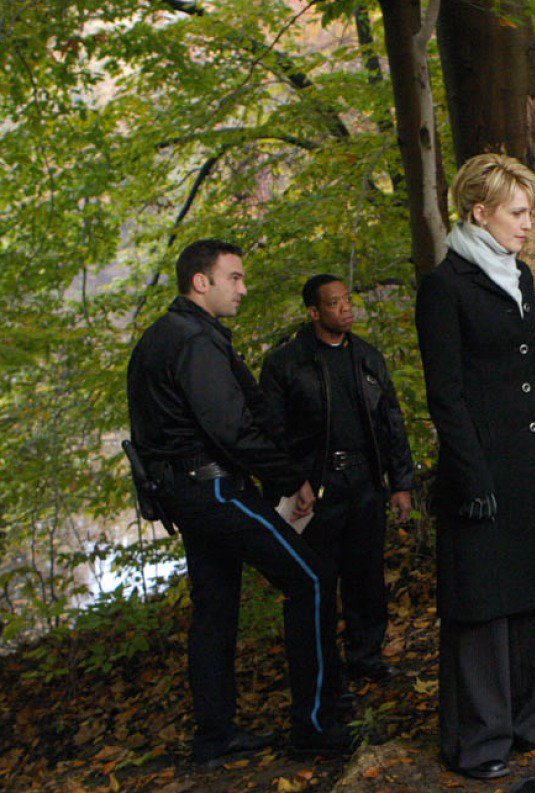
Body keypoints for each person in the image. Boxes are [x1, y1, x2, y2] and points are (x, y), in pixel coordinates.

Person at [126, 240, 352, 765]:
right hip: (211, 488)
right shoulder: (192, 340)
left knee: (215, 607)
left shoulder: (164, 336)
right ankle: (315, 726)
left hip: (186, 492)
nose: (244, 289)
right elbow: (231, 428)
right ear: (200, 282)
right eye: (234, 278)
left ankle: (216, 737)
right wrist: (290, 477)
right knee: (312, 578)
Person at [416, 153, 535, 781]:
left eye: (530, 211)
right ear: (479, 212)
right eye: (517, 212)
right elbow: (445, 394)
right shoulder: (446, 286)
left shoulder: (519, 276)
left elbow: (530, 372)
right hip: (480, 467)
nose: (528, 223)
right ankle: (481, 742)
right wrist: (470, 474)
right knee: (482, 608)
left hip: (528, 459)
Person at [259, 274, 416, 682]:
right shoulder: (286, 363)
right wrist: (293, 481)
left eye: (347, 299)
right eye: (334, 303)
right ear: (314, 312)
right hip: (316, 487)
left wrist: (401, 483)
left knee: (366, 576)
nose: (346, 308)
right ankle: (323, 672)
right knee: (318, 579)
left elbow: (392, 422)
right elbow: (272, 433)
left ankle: (366, 658)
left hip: (365, 481)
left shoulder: (367, 357)